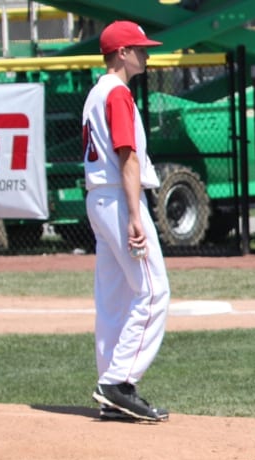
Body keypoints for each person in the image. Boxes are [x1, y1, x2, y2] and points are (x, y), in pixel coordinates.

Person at [82, 20, 171, 423]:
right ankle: (119, 383)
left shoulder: (95, 93)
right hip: (119, 198)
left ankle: (111, 389)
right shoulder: (117, 93)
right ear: (121, 53)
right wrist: (136, 214)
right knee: (152, 292)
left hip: (99, 197)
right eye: (138, 48)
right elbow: (127, 156)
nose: (145, 54)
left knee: (116, 297)